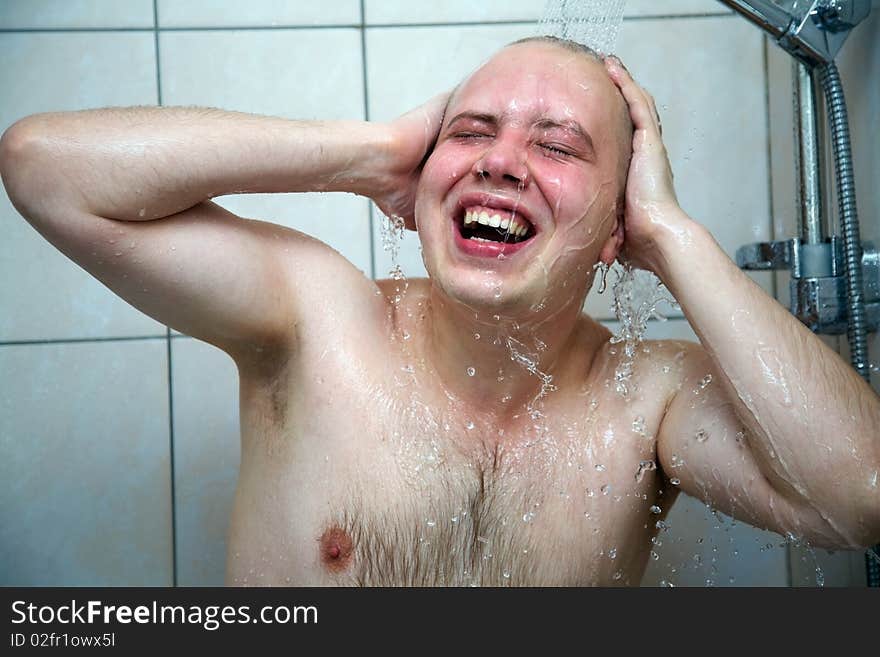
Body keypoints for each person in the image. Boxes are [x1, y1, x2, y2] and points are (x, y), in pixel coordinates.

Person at [1, 36, 877, 587]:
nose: (501, 161)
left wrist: (674, 234)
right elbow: (44, 167)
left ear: (617, 222)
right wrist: (368, 152)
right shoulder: (316, 321)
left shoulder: (649, 400)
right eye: (469, 131)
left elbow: (860, 497)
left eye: (556, 144)